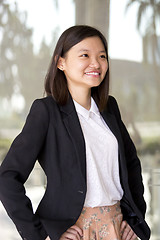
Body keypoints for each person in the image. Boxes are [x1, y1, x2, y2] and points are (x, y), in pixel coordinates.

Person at [0, 25, 150, 240]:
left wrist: (136, 220)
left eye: (102, 56)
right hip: (75, 231)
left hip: (118, 229)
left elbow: (132, 165)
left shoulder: (109, 108)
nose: (96, 63)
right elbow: (7, 177)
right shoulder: (46, 111)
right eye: (84, 55)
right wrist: (39, 235)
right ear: (60, 62)